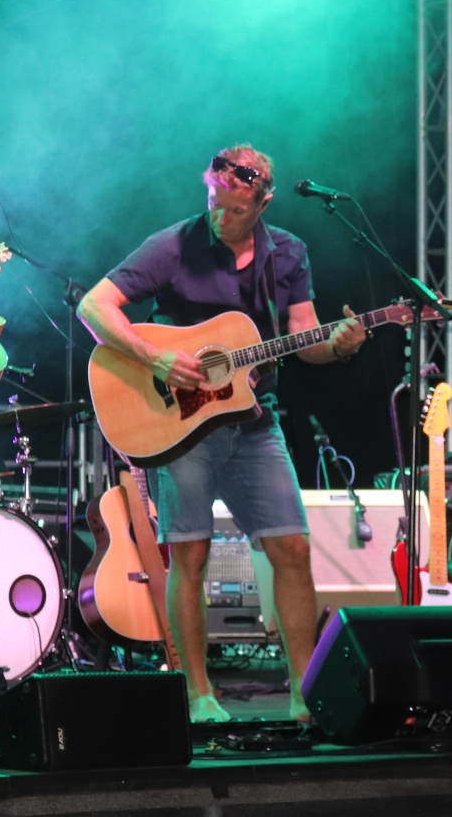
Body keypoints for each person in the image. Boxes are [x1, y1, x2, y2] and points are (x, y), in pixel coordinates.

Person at [78, 145, 366, 723]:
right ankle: (198, 695)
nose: (220, 216)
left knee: (293, 548)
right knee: (190, 554)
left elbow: (305, 334)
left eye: (235, 209)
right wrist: (156, 358)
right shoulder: (173, 245)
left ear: (263, 203)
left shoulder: (288, 253)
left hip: (256, 421)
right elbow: (94, 306)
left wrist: (337, 346)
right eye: (214, 201)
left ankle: (304, 695)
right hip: (180, 425)